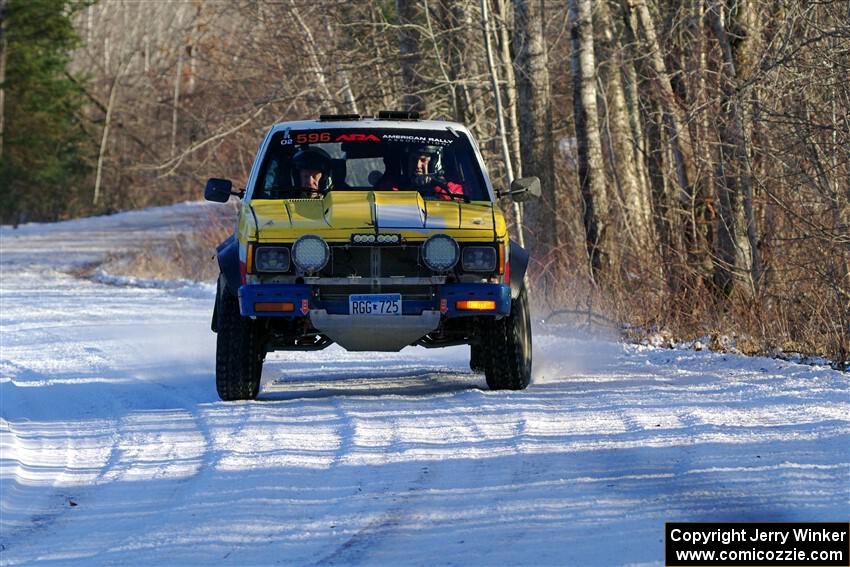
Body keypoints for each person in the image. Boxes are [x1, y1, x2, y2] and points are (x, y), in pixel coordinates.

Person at [377, 144, 465, 200]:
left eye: (423, 160)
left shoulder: (450, 190)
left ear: (434, 163)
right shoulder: (393, 188)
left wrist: (438, 189)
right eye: (414, 160)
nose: (418, 165)